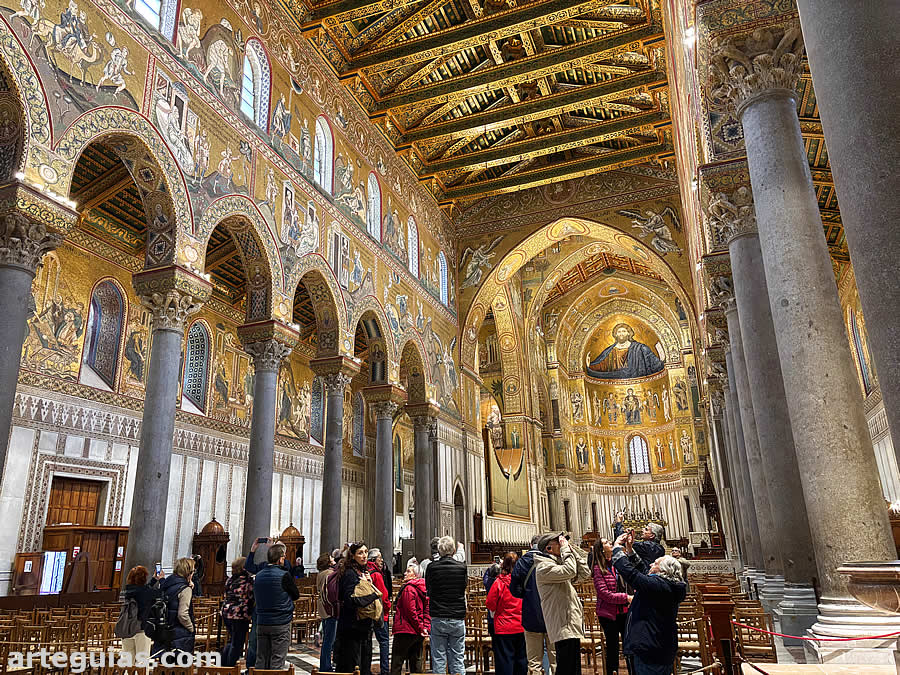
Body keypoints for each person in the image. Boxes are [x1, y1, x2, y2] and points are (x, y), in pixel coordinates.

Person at [612, 532, 686, 675]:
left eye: (656, 563)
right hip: (659, 647)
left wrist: (617, 548)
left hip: (650, 649)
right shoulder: (666, 585)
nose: (651, 563)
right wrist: (630, 549)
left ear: (664, 570)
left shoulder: (658, 586)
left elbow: (632, 575)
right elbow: (643, 571)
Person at [533, 533, 590, 675]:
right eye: (559, 542)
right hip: (562, 624)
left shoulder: (557, 562)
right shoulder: (543, 567)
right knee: (566, 667)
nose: (563, 543)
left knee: (573, 667)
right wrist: (565, 550)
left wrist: (571, 551)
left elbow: (584, 573)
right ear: (549, 548)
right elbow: (570, 571)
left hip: (569, 622)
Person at [511, 536, 556, 675]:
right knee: (555, 660)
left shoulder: (522, 562)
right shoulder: (552, 560)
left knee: (534, 662)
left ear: (530, 545)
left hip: (531, 614)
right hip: (552, 615)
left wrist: (527, 594)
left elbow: (514, 589)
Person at [335, 542, 382, 673]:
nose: (364, 556)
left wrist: (369, 584)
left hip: (363, 627)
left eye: (366, 552)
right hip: (352, 629)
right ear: (353, 556)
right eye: (360, 553)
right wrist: (373, 595)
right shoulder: (350, 573)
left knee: (364, 664)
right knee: (353, 666)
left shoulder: (361, 572)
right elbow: (350, 600)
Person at [425, 535, 467, 675]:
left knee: (438, 659)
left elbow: (429, 591)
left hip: (438, 615)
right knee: (458, 659)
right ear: (453, 550)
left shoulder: (431, 567)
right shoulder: (461, 567)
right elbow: (463, 587)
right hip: (457, 615)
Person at [253, 543, 300, 668]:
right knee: (277, 660)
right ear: (280, 558)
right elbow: (295, 595)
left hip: (262, 622)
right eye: (284, 557)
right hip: (280, 622)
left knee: (261, 659)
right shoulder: (284, 575)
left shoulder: (258, 576)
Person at [592, 537, 632, 675]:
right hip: (608, 614)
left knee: (630, 646)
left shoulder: (618, 563)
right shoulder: (598, 568)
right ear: (601, 549)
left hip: (625, 611)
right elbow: (604, 594)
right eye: (607, 543)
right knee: (613, 648)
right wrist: (626, 598)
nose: (610, 543)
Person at [486, 553, 527, 675]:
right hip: (521, 625)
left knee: (505, 662)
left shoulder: (499, 583)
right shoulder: (523, 581)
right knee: (521, 660)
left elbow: (490, 604)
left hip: (504, 627)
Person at [391, 561, 430, 675]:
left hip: (405, 629)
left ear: (416, 575)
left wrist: (420, 627)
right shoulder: (423, 588)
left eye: (408, 571)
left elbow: (410, 612)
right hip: (417, 631)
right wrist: (424, 627)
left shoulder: (409, 588)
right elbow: (427, 610)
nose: (404, 573)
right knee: (416, 663)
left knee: (397, 663)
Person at [153, 557, 196, 656]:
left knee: (164, 665)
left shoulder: (166, 584)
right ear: (188, 572)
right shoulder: (185, 589)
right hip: (179, 634)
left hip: (164, 631)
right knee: (179, 667)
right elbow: (182, 615)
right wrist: (191, 628)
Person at [122, 565, 162, 662]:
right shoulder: (146, 592)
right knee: (142, 663)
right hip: (141, 629)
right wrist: (161, 579)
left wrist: (153, 580)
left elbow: (143, 590)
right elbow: (162, 593)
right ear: (144, 578)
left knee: (128, 663)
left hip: (127, 628)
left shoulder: (128, 590)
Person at [221, 557, 253, 667]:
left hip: (227, 612)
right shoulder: (246, 579)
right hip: (239, 614)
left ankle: (223, 665)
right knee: (237, 643)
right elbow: (251, 596)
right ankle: (229, 667)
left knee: (232, 640)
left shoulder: (230, 579)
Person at [367, 548, 392, 675]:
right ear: (373, 560)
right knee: (384, 641)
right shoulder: (376, 574)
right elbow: (384, 594)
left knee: (367, 641)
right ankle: (385, 670)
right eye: (379, 558)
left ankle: (366, 668)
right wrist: (387, 607)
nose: (382, 560)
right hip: (380, 613)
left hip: (367, 612)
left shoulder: (366, 571)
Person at [316, 552, 337, 672]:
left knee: (327, 639)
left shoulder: (321, 574)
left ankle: (325, 664)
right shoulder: (329, 574)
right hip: (330, 609)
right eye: (331, 558)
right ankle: (326, 666)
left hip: (323, 608)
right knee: (329, 640)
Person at [483, 559, 501, 636]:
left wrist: (488, 569)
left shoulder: (488, 582)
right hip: (500, 614)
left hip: (491, 613)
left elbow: (485, 578)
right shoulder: (501, 582)